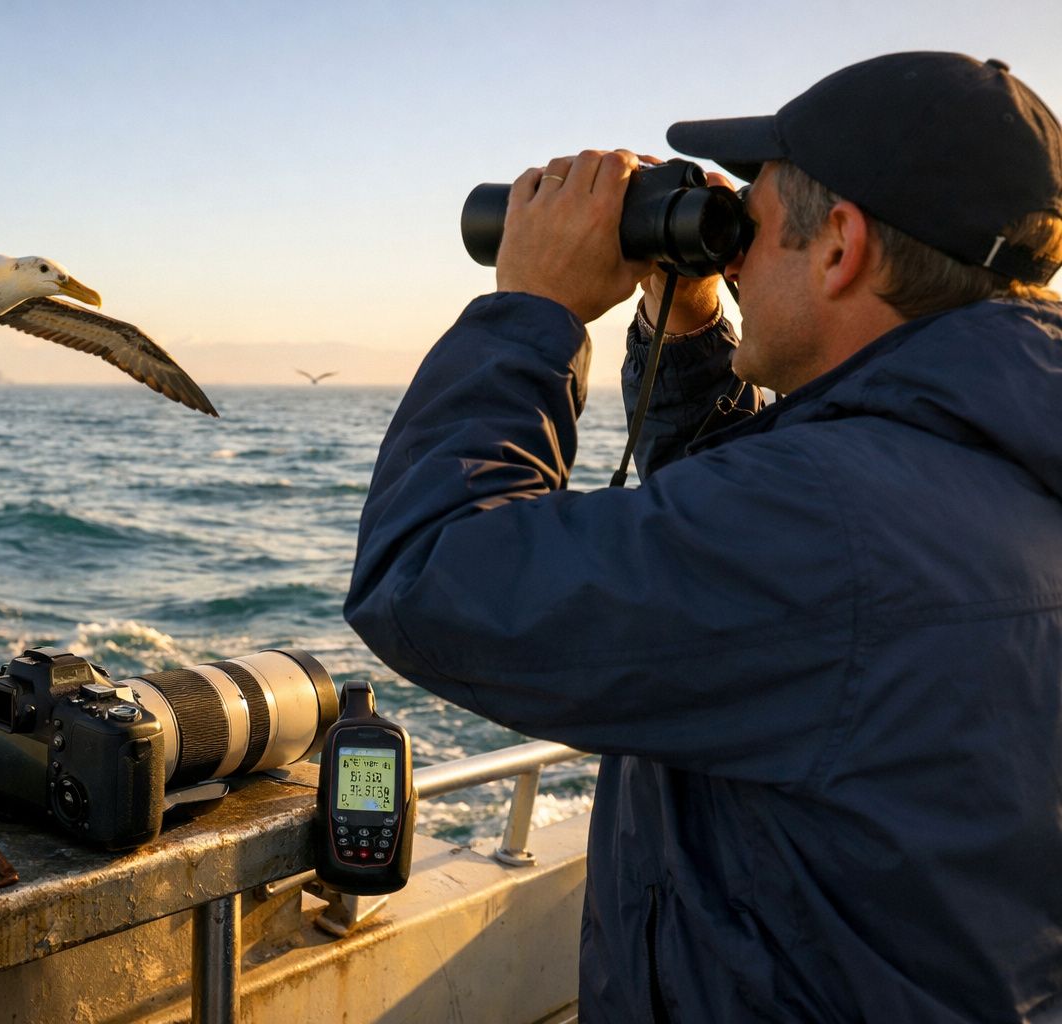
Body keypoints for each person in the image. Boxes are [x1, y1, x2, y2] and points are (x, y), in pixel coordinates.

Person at [345, 52, 1062, 1022]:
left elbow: (428, 576)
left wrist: (533, 311)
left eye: (752, 230)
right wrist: (686, 330)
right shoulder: (998, 459)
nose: (731, 260)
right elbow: (755, 577)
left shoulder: (831, 520)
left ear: (841, 245)